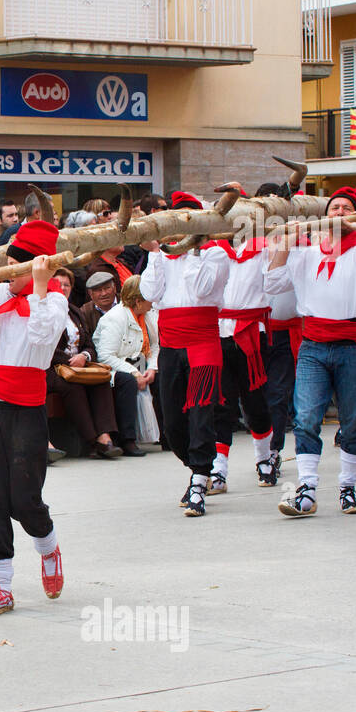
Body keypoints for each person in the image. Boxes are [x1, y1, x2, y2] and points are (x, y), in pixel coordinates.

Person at [0, 222, 67, 618]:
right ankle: (1, 585)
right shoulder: (4, 293)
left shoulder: (54, 301)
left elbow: (43, 339)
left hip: (26, 407)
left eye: (17, 266)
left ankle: (48, 546)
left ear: (38, 268)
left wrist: (40, 287)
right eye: (7, 263)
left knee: (25, 499)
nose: (10, 271)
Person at [264, 186, 356, 520]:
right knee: (306, 418)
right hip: (313, 345)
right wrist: (287, 238)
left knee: (353, 422)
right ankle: (307, 490)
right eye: (334, 208)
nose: (339, 213)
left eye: (347, 208)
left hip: (352, 344)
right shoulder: (307, 249)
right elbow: (272, 283)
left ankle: (347, 487)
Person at [140, 191, 229, 517]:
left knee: (201, 414)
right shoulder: (163, 255)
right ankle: (198, 469)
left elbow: (203, 289)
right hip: (172, 344)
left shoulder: (216, 253)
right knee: (172, 421)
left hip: (203, 341)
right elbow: (149, 293)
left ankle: (199, 479)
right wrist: (155, 254)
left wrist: (191, 248)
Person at [210, 224, 277, 494]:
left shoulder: (265, 248)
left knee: (255, 400)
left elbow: (276, 280)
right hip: (217, 333)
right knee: (220, 404)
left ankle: (264, 458)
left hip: (250, 333)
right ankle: (218, 469)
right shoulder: (213, 249)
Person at [46, 267, 122, 460]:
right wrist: (71, 361)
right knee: (72, 386)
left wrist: (85, 357)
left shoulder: (75, 311)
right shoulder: (44, 309)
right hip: (52, 368)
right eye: (58, 284)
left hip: (79, 365)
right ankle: (92, 440)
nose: (62, 288)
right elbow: (45, 347)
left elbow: (89, 343)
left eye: (66, 285)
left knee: (101, 380)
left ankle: (105, 436)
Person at [92, 273, 158, 456]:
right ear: (137, 300)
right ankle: (128, 439)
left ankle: (168, 435)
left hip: (138, 360)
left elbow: (154, 345)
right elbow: (105, 355)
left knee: (163, 376)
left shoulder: (148, 315)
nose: (152, 302)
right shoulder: (115, 318)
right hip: (113, 366)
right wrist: (134, 372)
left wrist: (152, 368)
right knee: (128, 381)